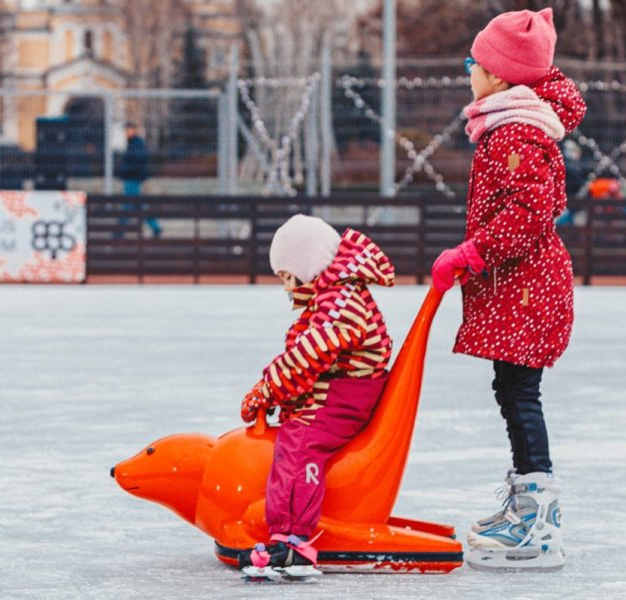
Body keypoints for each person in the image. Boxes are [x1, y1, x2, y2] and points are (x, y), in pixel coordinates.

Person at [430, 8, 585, 570]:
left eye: (473, 61)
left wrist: (472, 253)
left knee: (520, 394)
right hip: (519, 285)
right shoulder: (509, 122)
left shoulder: (516, 130)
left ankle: (538, 523)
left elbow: (529, 213)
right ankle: (525, 499)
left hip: (527, 287)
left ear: (497, 75)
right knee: (510, 388)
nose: (468, 70)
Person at [235, 215, 395, 578]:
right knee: (294, 430)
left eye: (285, 276)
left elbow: (310, 353)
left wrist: (268, 389)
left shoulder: (341, 301)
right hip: (337, 389)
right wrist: (278, 395)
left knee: (300, 443)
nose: (285, 287)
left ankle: (293, 540)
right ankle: (288, 533)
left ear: (305, 267)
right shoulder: (332, 294)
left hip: (346, 396)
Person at [119, 122, 161, 237]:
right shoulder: (133, 143)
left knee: (128, 205)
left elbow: (138, 162)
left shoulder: (136, 144)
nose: (126, 132)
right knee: (138, 205)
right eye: (126, 130)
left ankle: (119, 230)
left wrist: (125, 171)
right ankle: (156, 227)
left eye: (128, 129)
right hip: (132, 179)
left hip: (133, 179)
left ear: (134, 130)